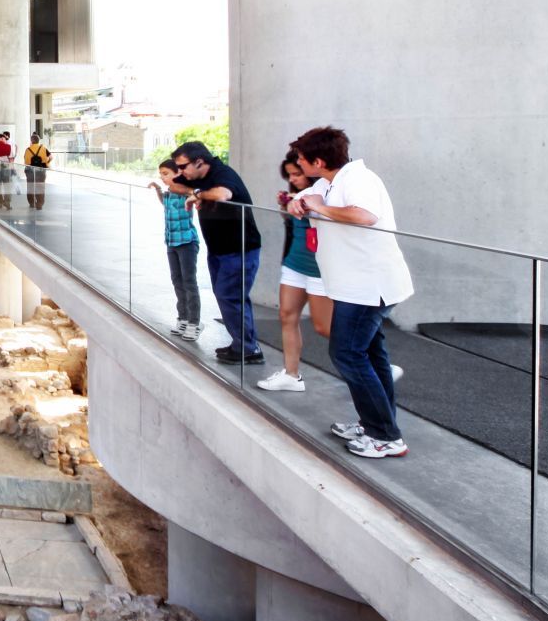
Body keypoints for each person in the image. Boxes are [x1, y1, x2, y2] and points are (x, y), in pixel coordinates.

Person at [287, 126, 415, 460]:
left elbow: (365, 215)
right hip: (353, 286)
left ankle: (386, 436)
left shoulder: (360, 179)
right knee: (371, 355)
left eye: (301, 159)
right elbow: (304, 200)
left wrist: (319, 207)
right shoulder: (327, 182)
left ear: (318, 160)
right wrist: (299, 205)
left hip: (369, 287)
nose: (297, 164)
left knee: (347, 354)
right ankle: (375, 423)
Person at [170, 140, 263, 364]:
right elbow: (174, 185)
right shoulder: (195, 179)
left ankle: (248, 348)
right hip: (219, 249)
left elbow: (223, 194)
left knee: (230, 296)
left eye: (183, 167)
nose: (180, 172)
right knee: (229, 296)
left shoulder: (223, 173)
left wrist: (199, 195)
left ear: (199, 162)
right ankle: (244, 345)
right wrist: (195, 191)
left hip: (239, 248)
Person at [259, 152, 332, 391]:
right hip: (295, 261)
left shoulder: (328, 191)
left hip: (320, 266)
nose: (294, 178)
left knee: (325, 327)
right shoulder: (297, 194)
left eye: (297, 173)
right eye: (290, 174)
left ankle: (377, 362)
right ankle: (292, 375)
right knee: (287, 316)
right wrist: (288, 204)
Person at [150, 161, 202, 340]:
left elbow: (195, 195)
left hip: (187, 243)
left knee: (189, 281)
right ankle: (183, 318)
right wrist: (158, 190)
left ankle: (194, 322)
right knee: (177, 280)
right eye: (161, 174)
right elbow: (166, 205)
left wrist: (190, 192)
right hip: (172, 242)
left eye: (165, 173)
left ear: (176, 173)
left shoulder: (185, 191)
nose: (162, 177)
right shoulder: (170, 193)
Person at [23, 132, 51, 209]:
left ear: (31, 141)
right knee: (40, 187)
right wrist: (47, 162)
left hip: (30, 171)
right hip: (41, 170)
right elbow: (51, 157)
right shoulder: (44, 148)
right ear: (39, 141)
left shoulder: (28, 150)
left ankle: (32, 203)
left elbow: (25, 161)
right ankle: (39, 204)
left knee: (30, 187)